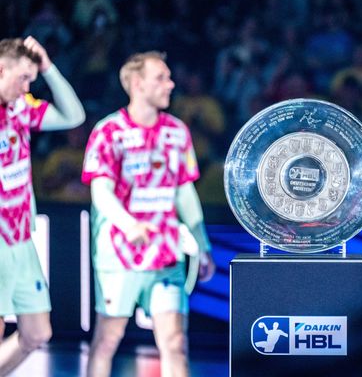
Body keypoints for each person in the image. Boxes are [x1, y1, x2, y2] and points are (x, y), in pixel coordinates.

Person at [81, 51, 216, 377]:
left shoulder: (177, 131)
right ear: (137, 84)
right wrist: (129, 226)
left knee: (174, 341)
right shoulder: (108, 131)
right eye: (161, 78)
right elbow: (100, 192)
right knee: (107, 339)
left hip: (166, 254)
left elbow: (184, 192)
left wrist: (202, 244)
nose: (171, 84)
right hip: (119, 255)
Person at [0, 36, 85, 374]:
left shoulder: (21, 107)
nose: (26, 87)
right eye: (23, 78)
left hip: (21, 238)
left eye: (31, 80)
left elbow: (73, 116)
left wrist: (48, 69)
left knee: (37, 333)